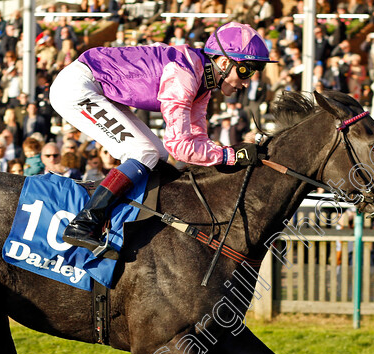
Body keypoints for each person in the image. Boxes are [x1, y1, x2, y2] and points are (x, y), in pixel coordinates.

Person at [49, 21, 273, 257]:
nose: (247, 81)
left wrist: (230, 155)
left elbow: (197, 140)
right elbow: (181, 147)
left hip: (98, 87)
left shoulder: (202, 82)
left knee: (158, 155)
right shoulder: (184, 75)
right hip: (77, 87)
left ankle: (124, 221)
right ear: (225, 62)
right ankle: (84, 224)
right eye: (246, 70)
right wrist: (230, 155)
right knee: (143, 152)